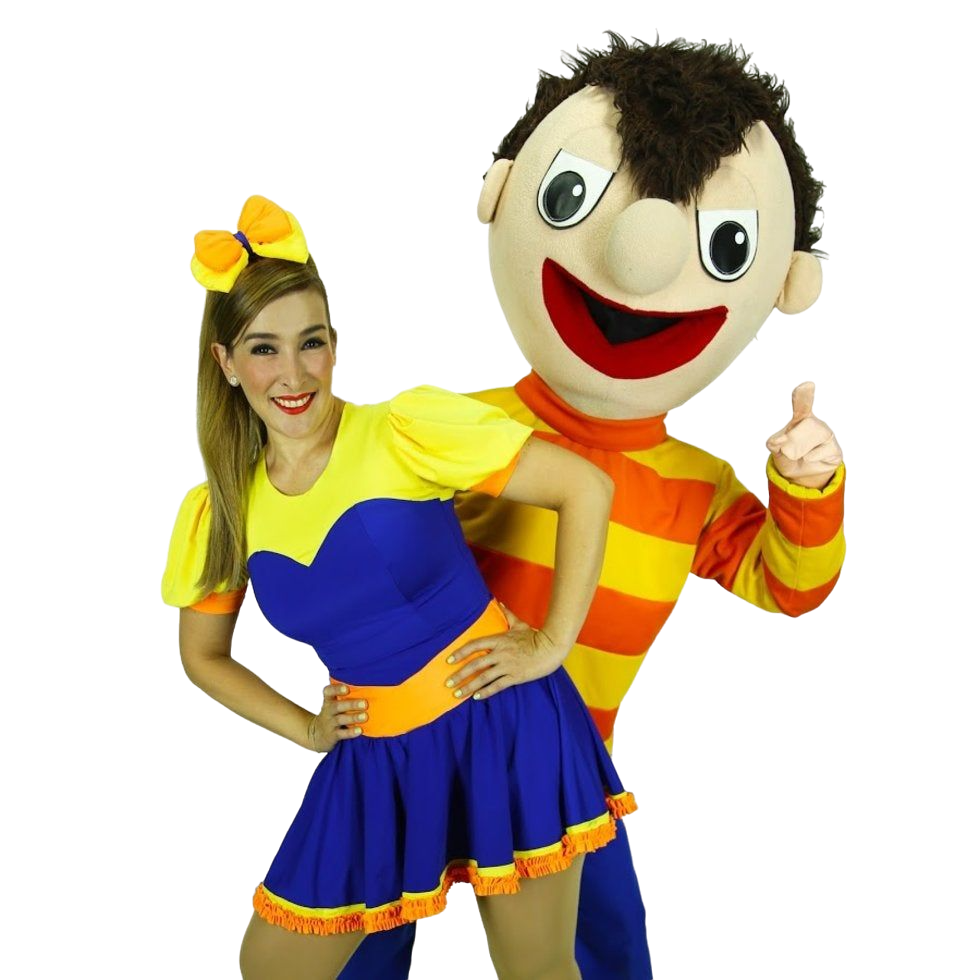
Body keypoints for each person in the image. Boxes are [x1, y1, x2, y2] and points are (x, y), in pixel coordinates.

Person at [160, 194, 638, 980]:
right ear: (226, 363)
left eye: (311, 342)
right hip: (375, 762)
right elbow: (202, 656)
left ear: (336, 347)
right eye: (264, 349)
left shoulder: (403, 429)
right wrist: (306, 729)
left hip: (500, 725)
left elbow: (585, 486)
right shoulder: (220, 510)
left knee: (538, 971)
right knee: (270, 965)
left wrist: (552, 644)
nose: (293, 374)